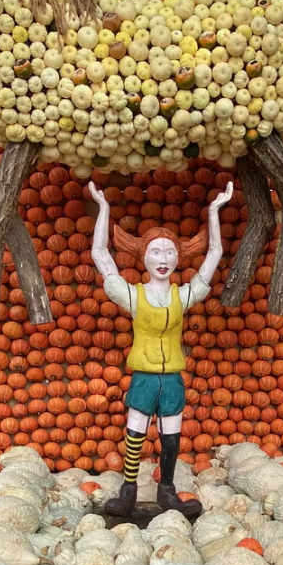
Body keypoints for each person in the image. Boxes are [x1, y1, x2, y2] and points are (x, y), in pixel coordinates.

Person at [87, 179, 234, 517]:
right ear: (143, 257)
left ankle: (167, 490)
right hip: (144, 376)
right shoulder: (133, 296)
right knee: (135, 431)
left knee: (171, 435)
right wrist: (103, 208)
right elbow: (99, 255)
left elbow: (214, 254)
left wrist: (214, 212)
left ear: (178, 257)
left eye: (169, 252)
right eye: (156, 251)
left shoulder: (183, 296)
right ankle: (128, 491)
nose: (163, 258)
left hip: (171, 380)